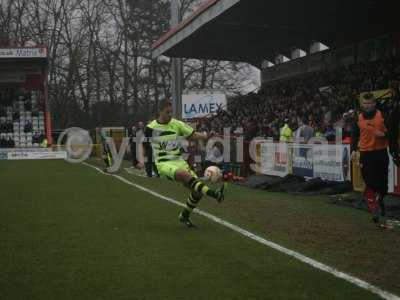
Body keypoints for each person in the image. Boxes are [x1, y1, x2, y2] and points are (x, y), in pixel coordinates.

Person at [137, 99, 226, 228]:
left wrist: (206, 136)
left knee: (198, 191)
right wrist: (141, 160)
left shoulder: (177, 124)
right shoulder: (151, 128)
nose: (170, 114)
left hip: (179, 161)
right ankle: (215, 194)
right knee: (185, 175)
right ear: (160, 111)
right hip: (163, 163)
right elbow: (142, 145)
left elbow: (192, 135)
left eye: (171, 111)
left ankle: (184, 216)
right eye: (167, 112)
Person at [351, 93, 392, 228]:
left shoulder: (383, 115)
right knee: (369, 182)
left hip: (381, 153)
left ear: (374, 104)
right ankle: (374, 209)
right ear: (362, 105)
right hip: (365, 154)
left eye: (370, 103)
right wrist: (353, 150)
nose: (367, 106)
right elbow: (354, 135)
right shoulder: (358, 118)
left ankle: (380, 201)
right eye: (365, 104)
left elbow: (393, 132)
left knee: (382, 185)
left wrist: (385, 134)